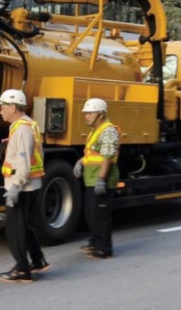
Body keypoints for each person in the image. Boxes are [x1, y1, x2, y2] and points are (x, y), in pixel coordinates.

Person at [0, 89, 49, 284]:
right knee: (24, 226)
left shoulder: (22, 129)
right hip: (29, 185)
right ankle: (37, 260)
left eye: (2, 107)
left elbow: (24, 163)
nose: (0, 111)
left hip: (22, 188)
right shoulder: (28, 125)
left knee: (14, 230)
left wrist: (15, 187)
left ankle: (22, 269)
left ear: (12, 107)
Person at [74, 98, 120, 259]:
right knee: (91, 213)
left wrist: (101, 179)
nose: (86, 116)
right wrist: (81, 161)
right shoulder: (95, 130)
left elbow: (107, 156)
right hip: (91, 178)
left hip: (102, 179)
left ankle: (104, 248)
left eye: (90, 113)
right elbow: (94, 153)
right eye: (85, 113)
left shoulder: (108, 130)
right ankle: (95, 242)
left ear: (100, 114)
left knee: (101, 214)